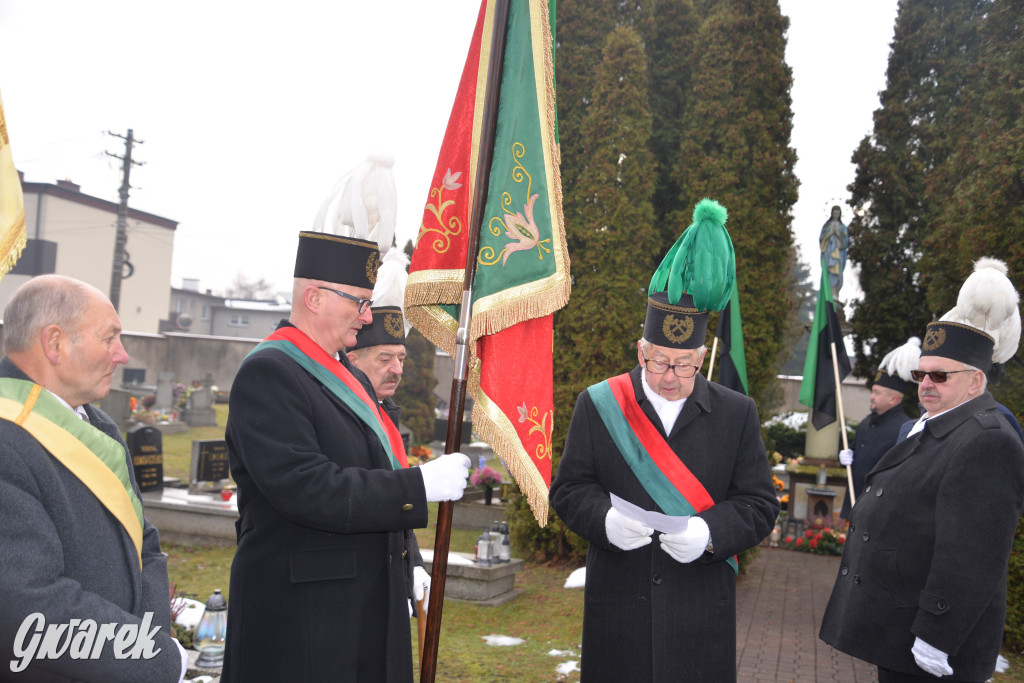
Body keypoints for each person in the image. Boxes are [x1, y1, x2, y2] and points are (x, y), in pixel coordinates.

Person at [221, 158, 470, 683]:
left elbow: (372, 474)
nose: (366, 315)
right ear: (313, 298)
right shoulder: (269, 374)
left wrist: (408, 564)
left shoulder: (349, 378)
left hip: (363, 606)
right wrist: (418, 484)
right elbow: (308, 489)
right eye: (358, 303)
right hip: (302, 621)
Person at [549, 199, 780, 682]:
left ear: (702, 357)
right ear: (641, 350)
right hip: (618, 605)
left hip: (699, 608)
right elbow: (569, 489)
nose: (670, 377)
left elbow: (759, 504)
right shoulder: (599, 403)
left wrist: (711, 534)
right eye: (658, 362)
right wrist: (604, 522)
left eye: (684, 364)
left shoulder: (737, 413)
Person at [820, 273, 1024, 681]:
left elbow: (973, 556)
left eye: (940, 375)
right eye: (921, 375)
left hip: (933, 646)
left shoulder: (988, 440)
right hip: (899, 627)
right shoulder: (930, 425)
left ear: (975, 381)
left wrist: (937, 635)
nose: (926, 384)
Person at [0, 274, 187, 682]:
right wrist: (154, 660)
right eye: (109, 338)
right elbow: (28, 605)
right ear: (54, 343)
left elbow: (146, 546)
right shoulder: (5, 439)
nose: (122, 354)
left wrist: (149, 644)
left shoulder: (98, 425)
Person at [345, 247, 431, 620]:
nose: (397, 369)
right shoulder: (344, 412)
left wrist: (411, 561)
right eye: (384, 359)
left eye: (401, 358)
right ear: (353, 359)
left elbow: (393, 502)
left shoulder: (385, 413)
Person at [838, 337, 919, 520]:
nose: (871, 397)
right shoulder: (866, 423)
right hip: (854, 504)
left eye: (877, 393)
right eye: (872, 391)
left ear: (894, 399)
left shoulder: (904, 428)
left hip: (878, 511)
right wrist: (845, 456)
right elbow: (854, 452)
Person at [819, 205, 849, 298]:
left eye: (838, 213)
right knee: (829, 272)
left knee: (837, 272)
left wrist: (838, 234)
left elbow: (845, 242)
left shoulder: (842, 227)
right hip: (829, 252)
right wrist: (830, 233)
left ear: (840, 214)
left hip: (838, 253)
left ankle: (835, 292)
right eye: (834, 213)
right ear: (832, 213)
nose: (836, 215)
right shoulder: (827, 225)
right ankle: (828, 292)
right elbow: (821, 239)